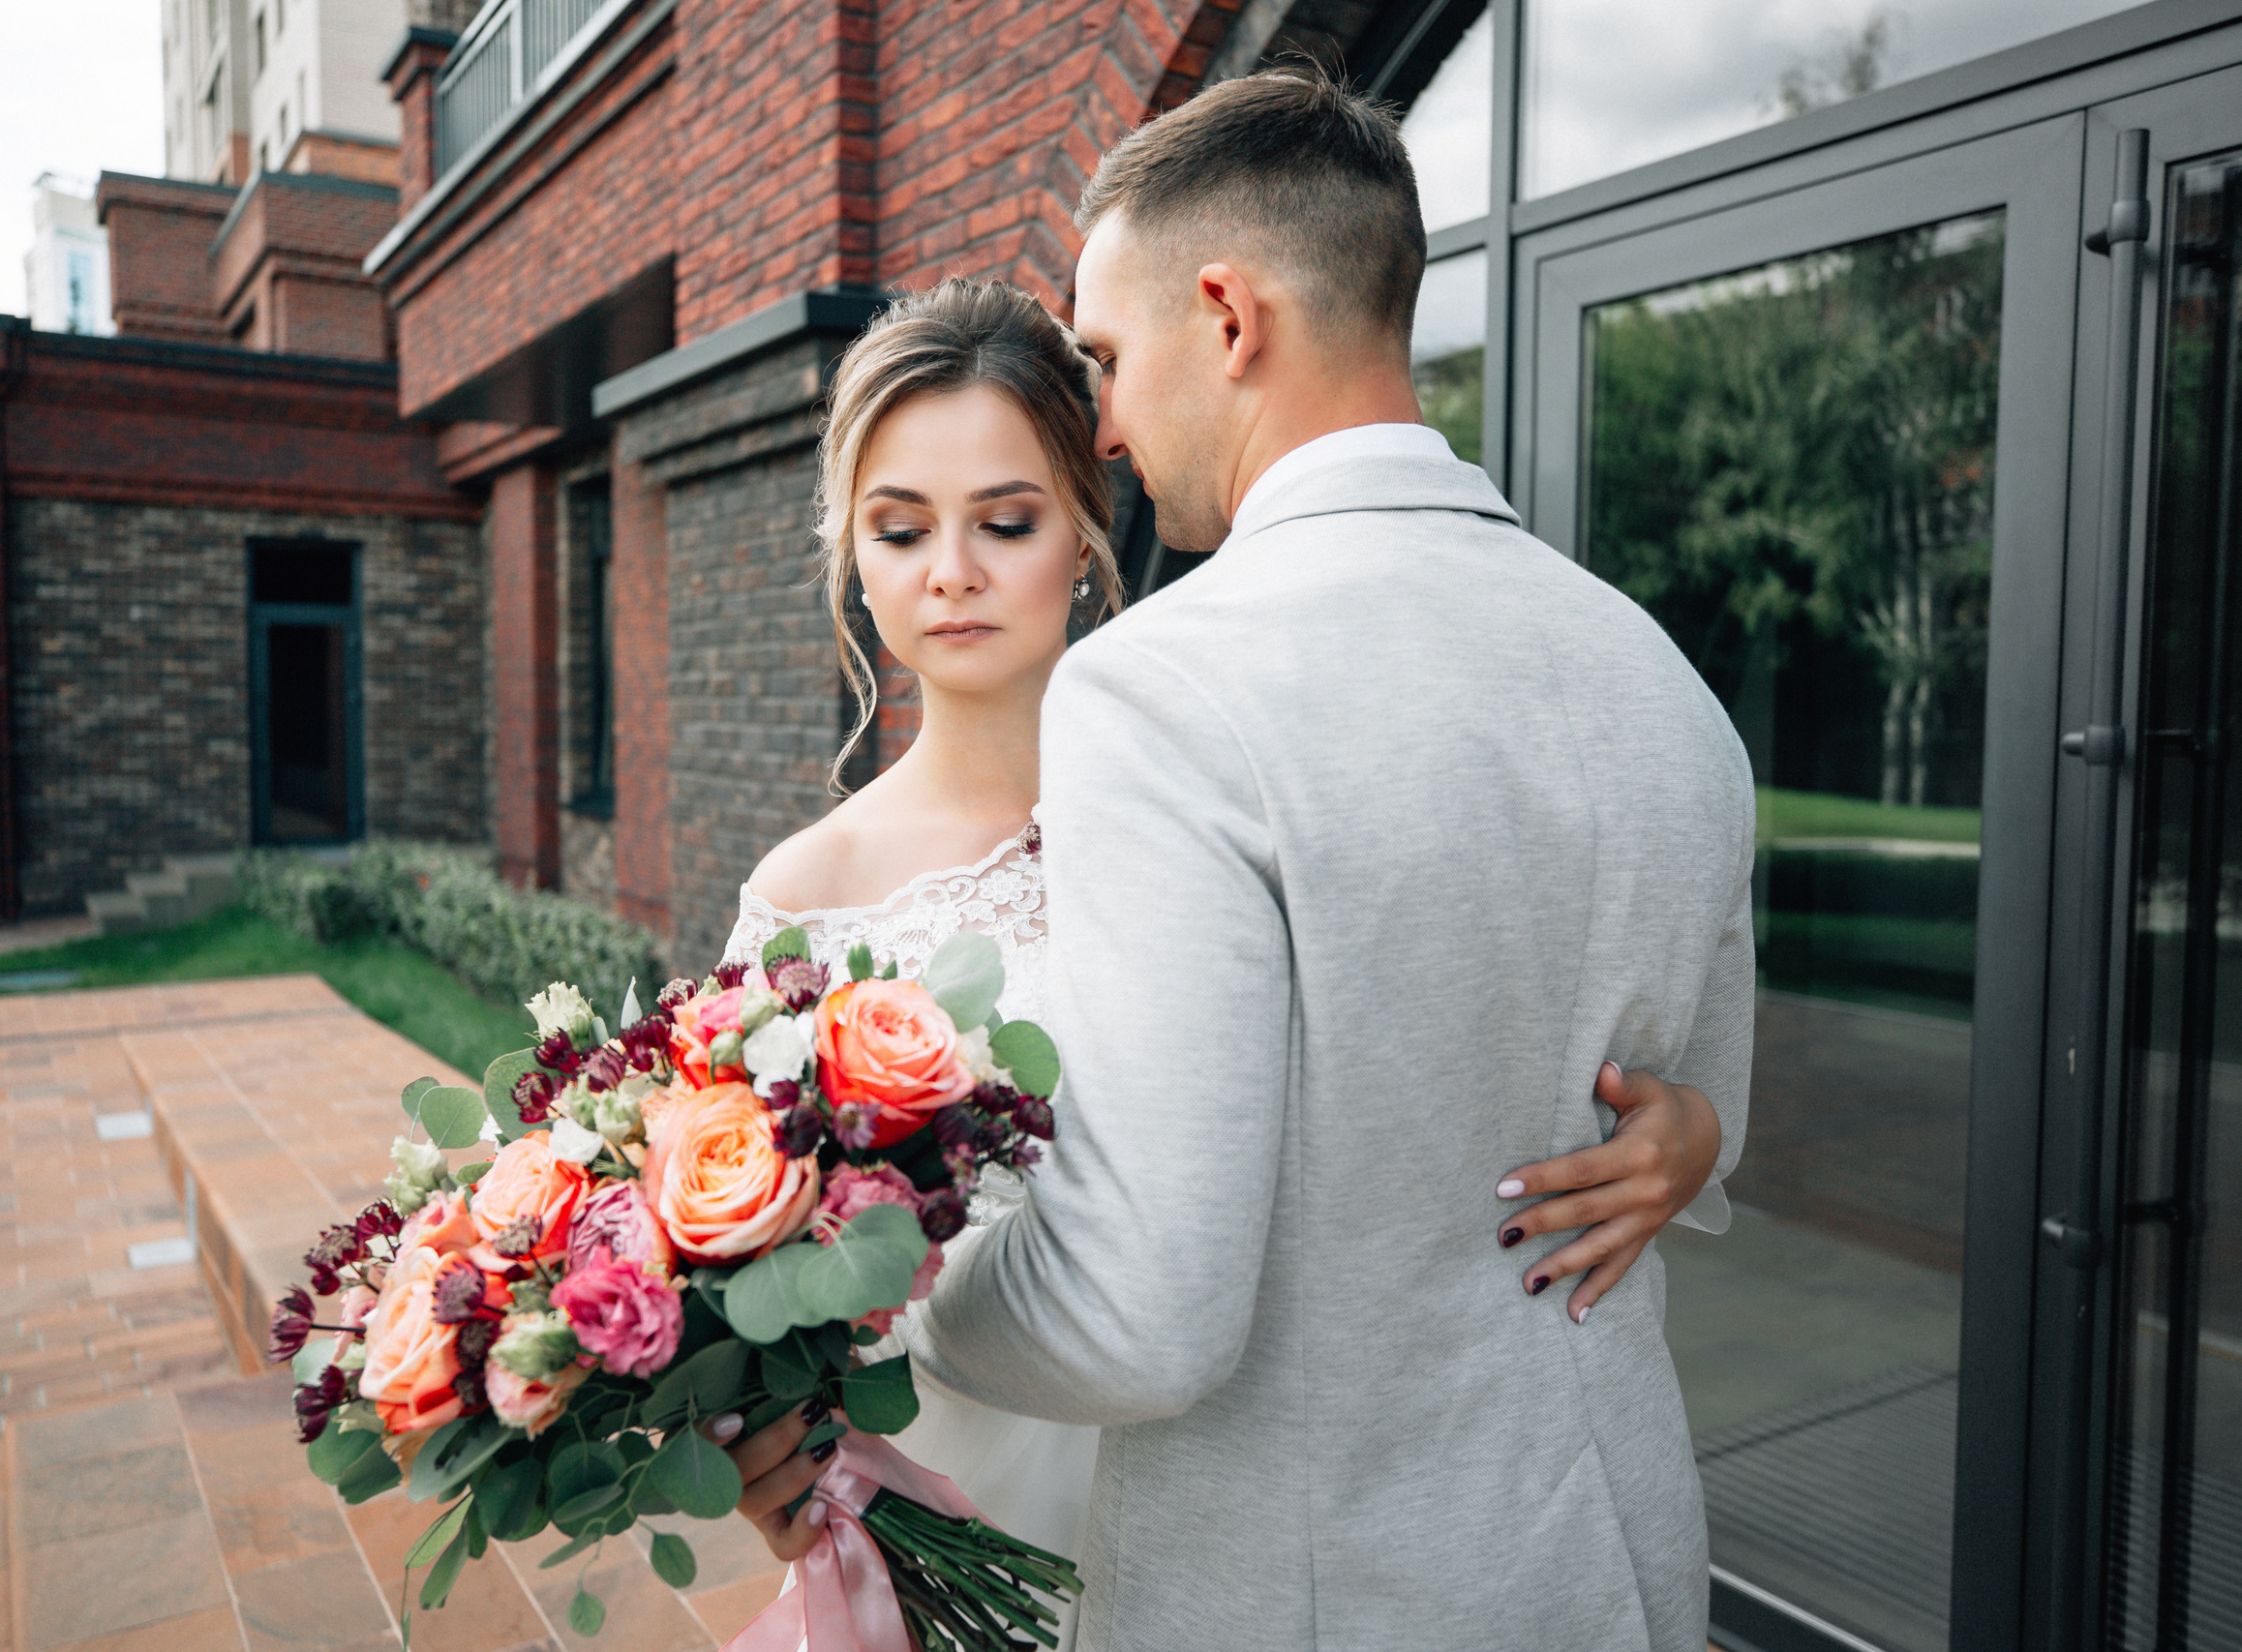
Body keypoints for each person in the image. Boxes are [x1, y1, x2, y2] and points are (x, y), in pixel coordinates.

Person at [712, 225, 1741, 1644]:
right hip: (962, 1491)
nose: (949, 572)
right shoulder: (802, 897)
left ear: (1084, 523)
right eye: (899, 529)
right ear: (852, 557)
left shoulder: (1227, 751)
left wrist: (1689, 1129)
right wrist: (777, 1441)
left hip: (1244, 1509)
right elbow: (745, 1271)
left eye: (1004, 520)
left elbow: (1473, 1004)